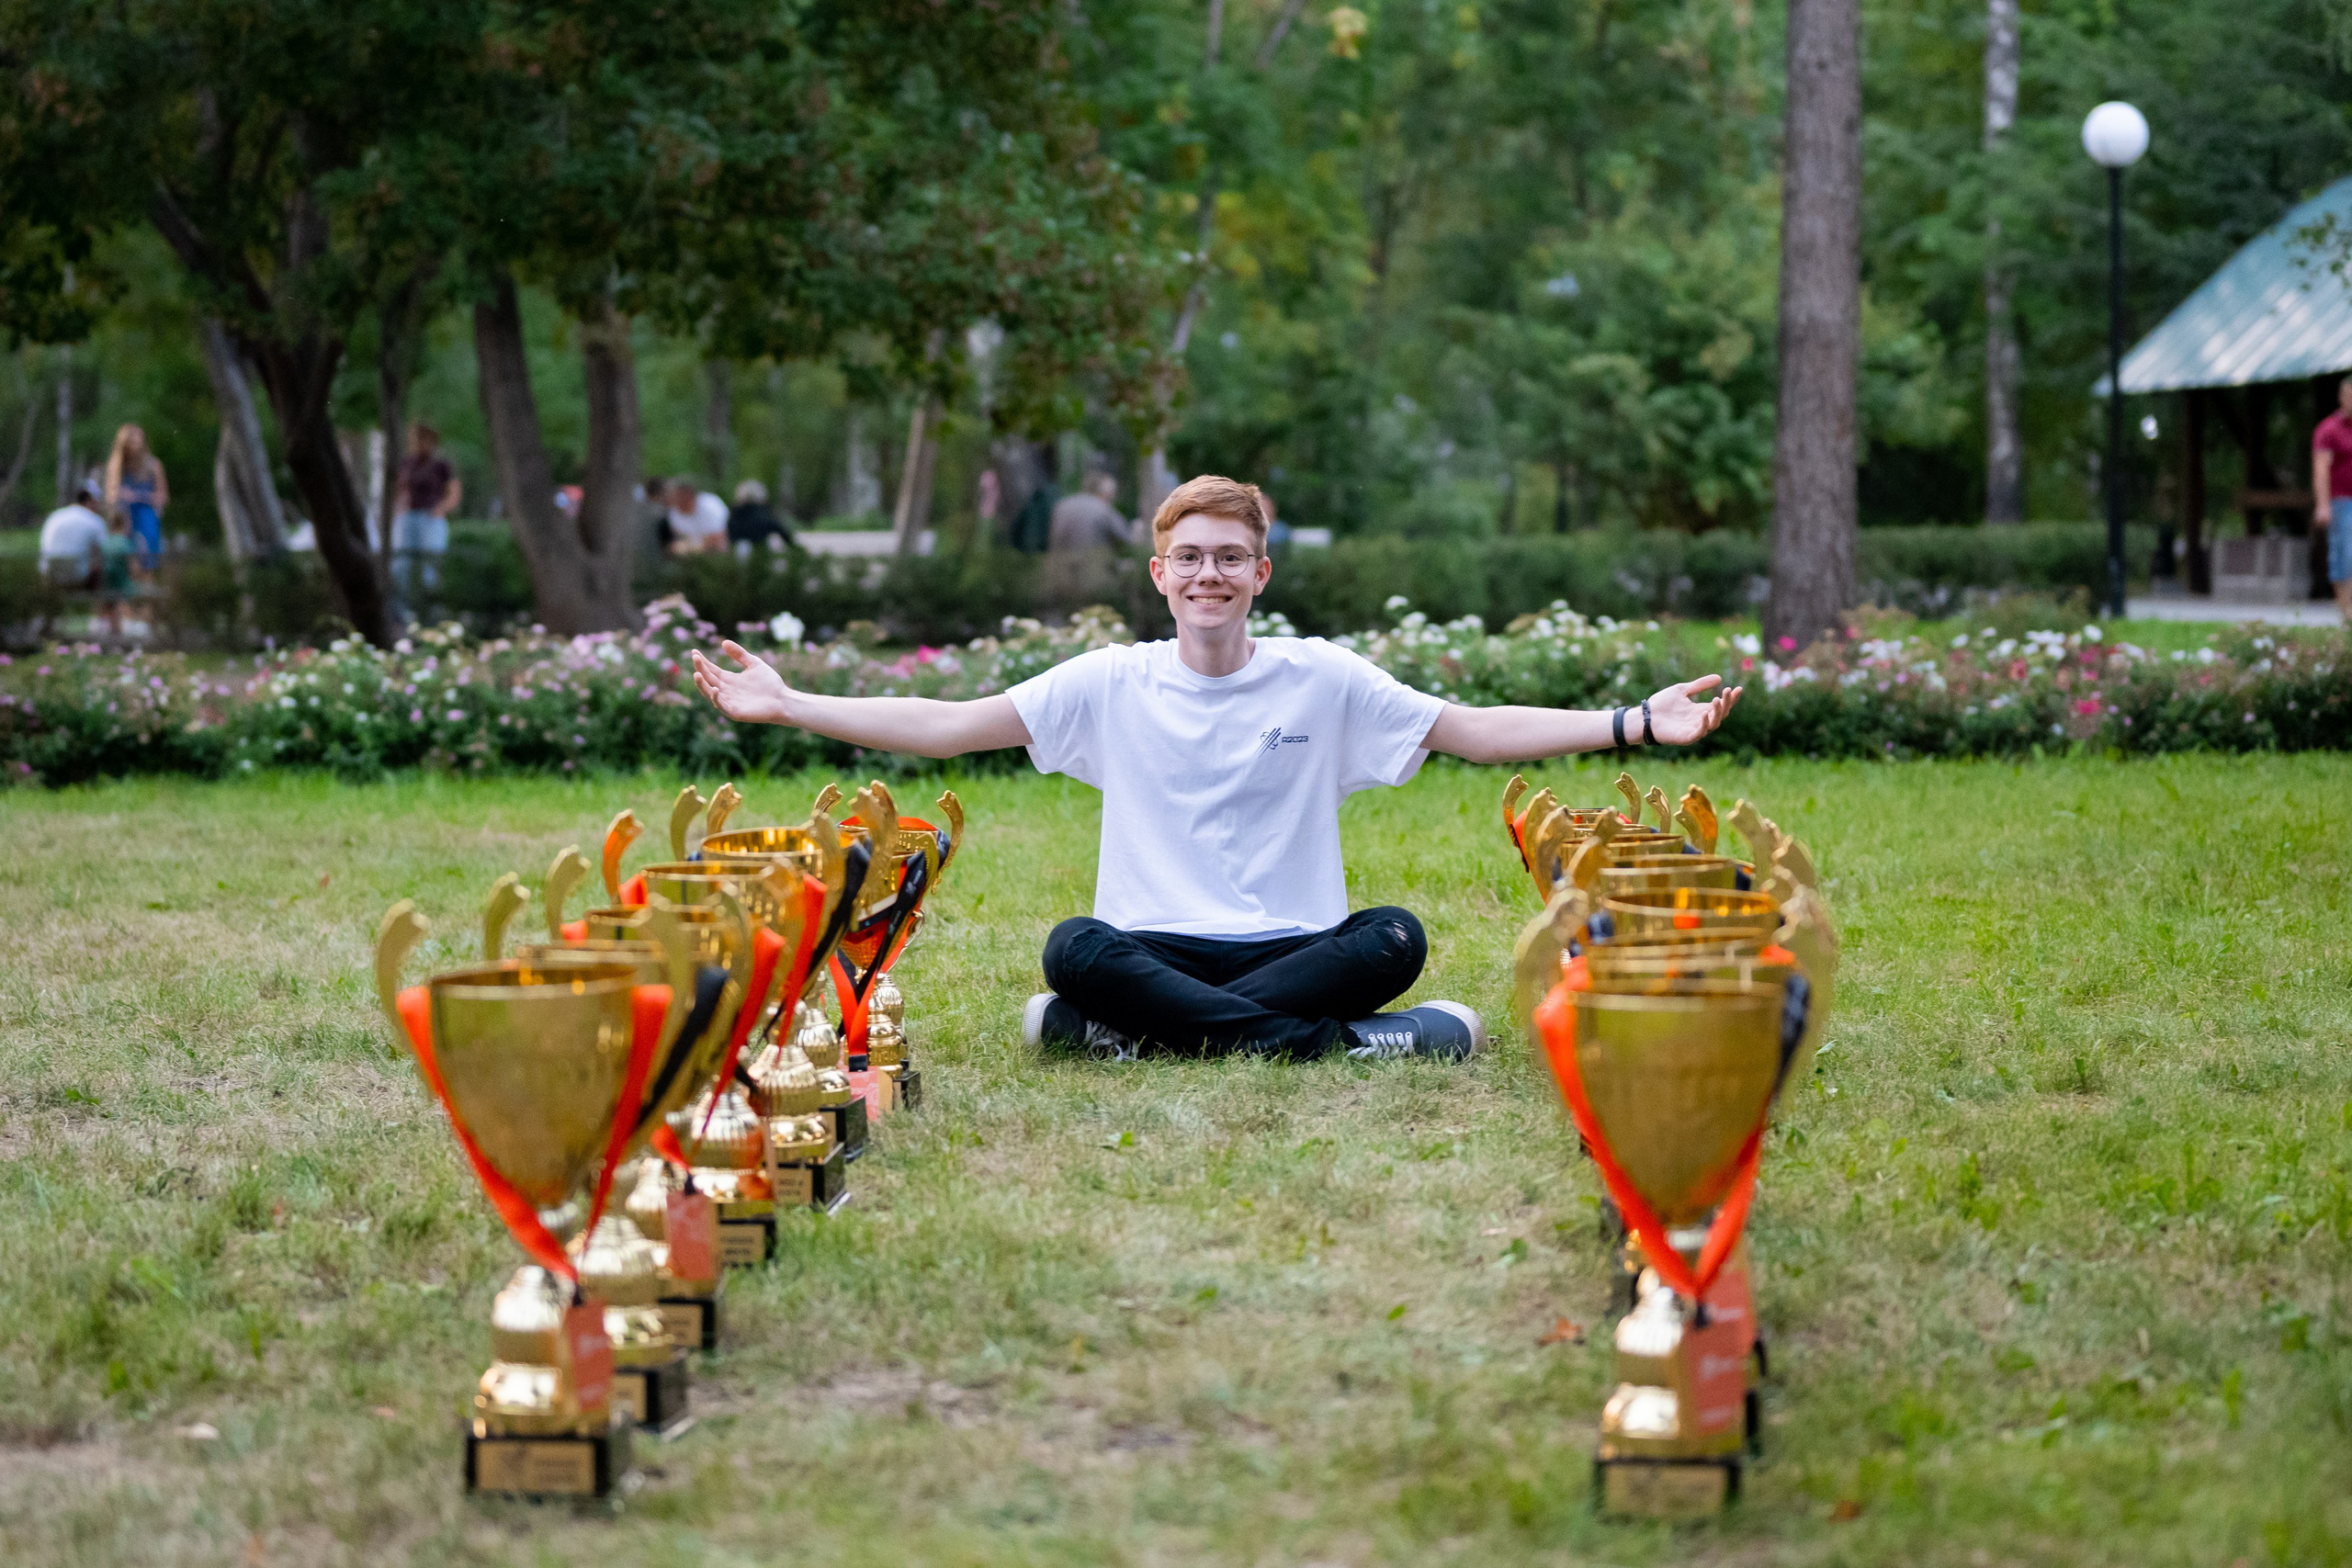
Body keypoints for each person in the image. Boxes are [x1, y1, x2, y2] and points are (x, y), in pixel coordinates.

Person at [691, 474, 1742, 1064]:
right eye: (1189, 556)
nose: (1210, 573)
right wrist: (788, 704)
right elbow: (948, 722)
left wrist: (1632, 722)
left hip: (1297, 945)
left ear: (1260, 574)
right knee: (1073, 946)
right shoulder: (1110, 681)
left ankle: (1141, 1044)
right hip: (1153, 948)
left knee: (1394, 936)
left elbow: (1469, 729)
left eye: (1230, 556)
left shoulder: (1323, 677)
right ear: (1159, 575)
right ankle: (1344, 1049)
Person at [392, 423, 461, 613]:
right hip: (408, 518)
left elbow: (454, 492)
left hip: (431, 518)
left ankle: (433, 613)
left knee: (430, 569)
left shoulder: (441, 464)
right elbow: (400, 489)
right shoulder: (407, 462)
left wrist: (442, 508)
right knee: (401, 566)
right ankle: (403, 613)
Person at [103, 424, 169, 570]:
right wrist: (119, 496)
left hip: (146, 520)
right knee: (124, 563)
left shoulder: (153, 465)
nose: (138, 444)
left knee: (146, 564)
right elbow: (109, 497)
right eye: (133, 440)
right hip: (123, 520)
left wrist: (138, 496)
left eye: (140, 439)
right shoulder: (115, 467)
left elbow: (163, 497)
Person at [2312, 377, 2352, 619]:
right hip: (2341, 502)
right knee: (2345, 555)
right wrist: (2323, 505)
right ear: (2341, 397)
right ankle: (2346, 613)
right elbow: (2320, 468)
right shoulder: (2328, 430)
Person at [39, 484, 109, 588]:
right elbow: (105, 552)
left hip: (50, 577)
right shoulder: (95, 521)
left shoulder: (54, 517)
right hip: (79, 579)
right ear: (91, 501)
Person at [664, 476, 730, 555]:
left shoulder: (710, 506)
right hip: (693, 558)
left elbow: (721, 536)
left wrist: (692, 547)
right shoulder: (674, 513)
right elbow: (677, 537)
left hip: (720, 554)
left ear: (687, 495)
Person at [726, 479, 795, 551]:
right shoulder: (761, 512)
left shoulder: (735, 513)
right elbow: (775, 526)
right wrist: (789, 539)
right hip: (762, 545)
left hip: (740, 546)